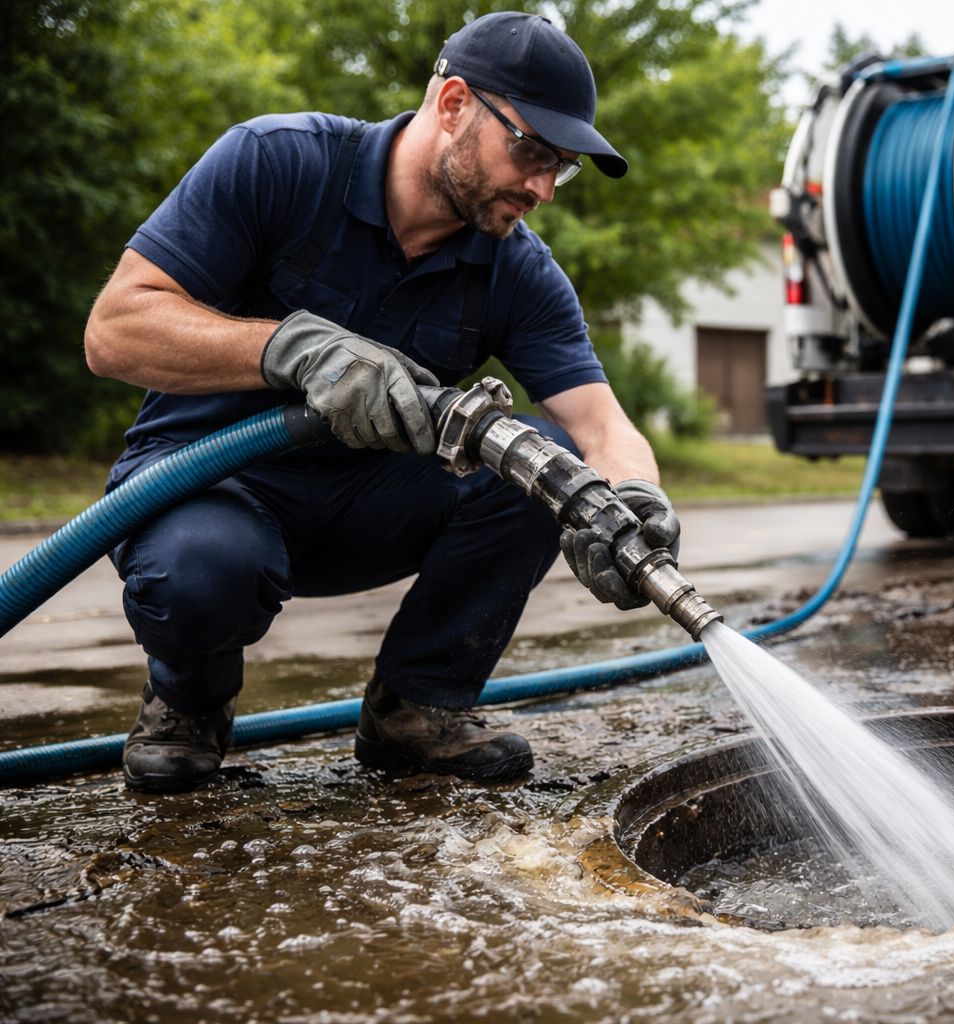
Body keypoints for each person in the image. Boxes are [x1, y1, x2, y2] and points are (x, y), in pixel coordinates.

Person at [82, 13, 681, 792]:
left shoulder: (516, 269)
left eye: (559, 167)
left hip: (366, 509)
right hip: (207, 492)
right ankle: (188, 703)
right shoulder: (278, 163)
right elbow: (114, 330)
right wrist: (289, 348)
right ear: (455, 103)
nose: (541, 188)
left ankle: (417, 708)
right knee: (203, 572)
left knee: (548, 468)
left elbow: (600, 422)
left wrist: (637, 498)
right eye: (531, 150)